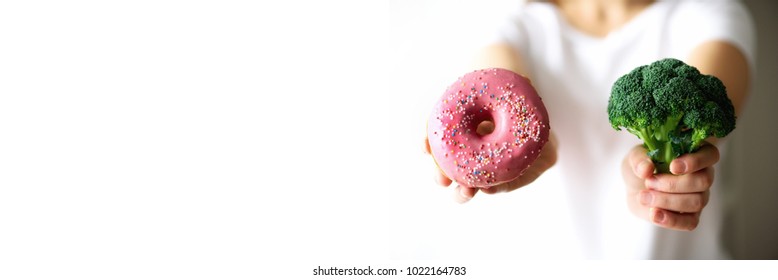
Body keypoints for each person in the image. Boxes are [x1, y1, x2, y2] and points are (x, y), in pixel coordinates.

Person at [424, 0, 754, 259]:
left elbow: (705, 102)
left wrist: (656, 171)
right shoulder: (512, 26)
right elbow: (499, 80)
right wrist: (539, 146)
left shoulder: (711, 13)